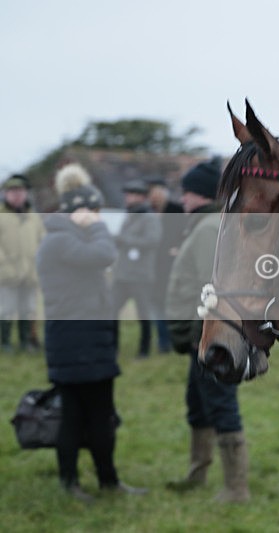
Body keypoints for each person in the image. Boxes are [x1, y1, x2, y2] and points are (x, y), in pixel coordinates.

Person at [36, 163, 147, 502]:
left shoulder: (62, 238)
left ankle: (107, 482)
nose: (98, 217)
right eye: (94, 212)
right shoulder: (60, 241)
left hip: (87, 341)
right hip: (77, 342)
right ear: (81, 212)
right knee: (76, 417)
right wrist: (97, 227)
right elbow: (104, 254)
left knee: (98, 416)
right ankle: (73, 483)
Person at [165, 157, 249, 503]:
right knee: (198, 405)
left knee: (220, 404)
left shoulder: (207, 228)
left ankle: (236, 488)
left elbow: (209, 287)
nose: (182, 199)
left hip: (209, 337)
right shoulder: (206, 224)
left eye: (187, 193)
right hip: (198, 336)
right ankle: (197, 473)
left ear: (198, 195)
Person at [111, 179, 162, 358]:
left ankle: (144, 350)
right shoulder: (130, 215)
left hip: (140, 275)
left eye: (131, 195)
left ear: (141, 197)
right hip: (123, 274)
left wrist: (124, 240)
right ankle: (112, 347)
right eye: (127, 194)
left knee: (143, 314)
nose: (127, 198)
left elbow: (153, 240)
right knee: (111, 310)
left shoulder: (149, 217)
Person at [0, 174, 45, 353]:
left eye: (20, 191)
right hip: (6, 273)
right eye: (13, 192)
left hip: (30, 273)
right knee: (6, 309)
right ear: (5, 194)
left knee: (28, 309)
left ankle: (26, 342)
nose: (17, 195)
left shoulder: (34, 217)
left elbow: (43, 240)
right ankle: (5, 343)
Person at [147, 177, 186, 353]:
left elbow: (185, 232)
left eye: (157, 194)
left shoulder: (176, 210)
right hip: (152, 267)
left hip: (171, 266)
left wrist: (179, 248)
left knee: (169, 305)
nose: (154, 198)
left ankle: (173, 339)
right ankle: (163, 342)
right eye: (151, 195)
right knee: (156, 304)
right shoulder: (147, 213)